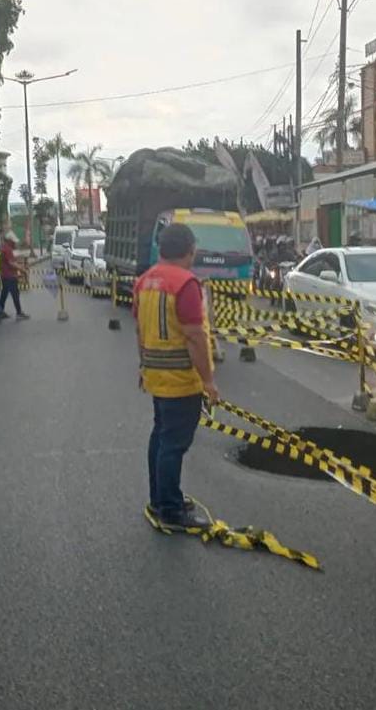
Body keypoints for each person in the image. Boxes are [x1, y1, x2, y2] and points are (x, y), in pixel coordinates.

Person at [133, 223, 219, 530]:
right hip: (181, 380)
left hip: (156, 376)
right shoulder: (186, 283)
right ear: (190, 250)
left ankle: (161, 497)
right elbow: (195, 337)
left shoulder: (144, 281)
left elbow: (140, 329)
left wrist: (144, 366)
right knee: (173, 444)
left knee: (161, 438)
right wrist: (208, 380)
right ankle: (170, 510)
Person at [0, 231, 29, 320]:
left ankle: (0, 311)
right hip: (9, 275)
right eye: (13, 242)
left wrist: (20, 267)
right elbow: (11, 263)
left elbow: (11, 262)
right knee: (14, 294)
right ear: (9, 241)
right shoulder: (7, 249)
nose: (15, 243)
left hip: (6, 275)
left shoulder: (5, 248)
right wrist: (22, 269)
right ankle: (18, 313)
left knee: (4, 294)